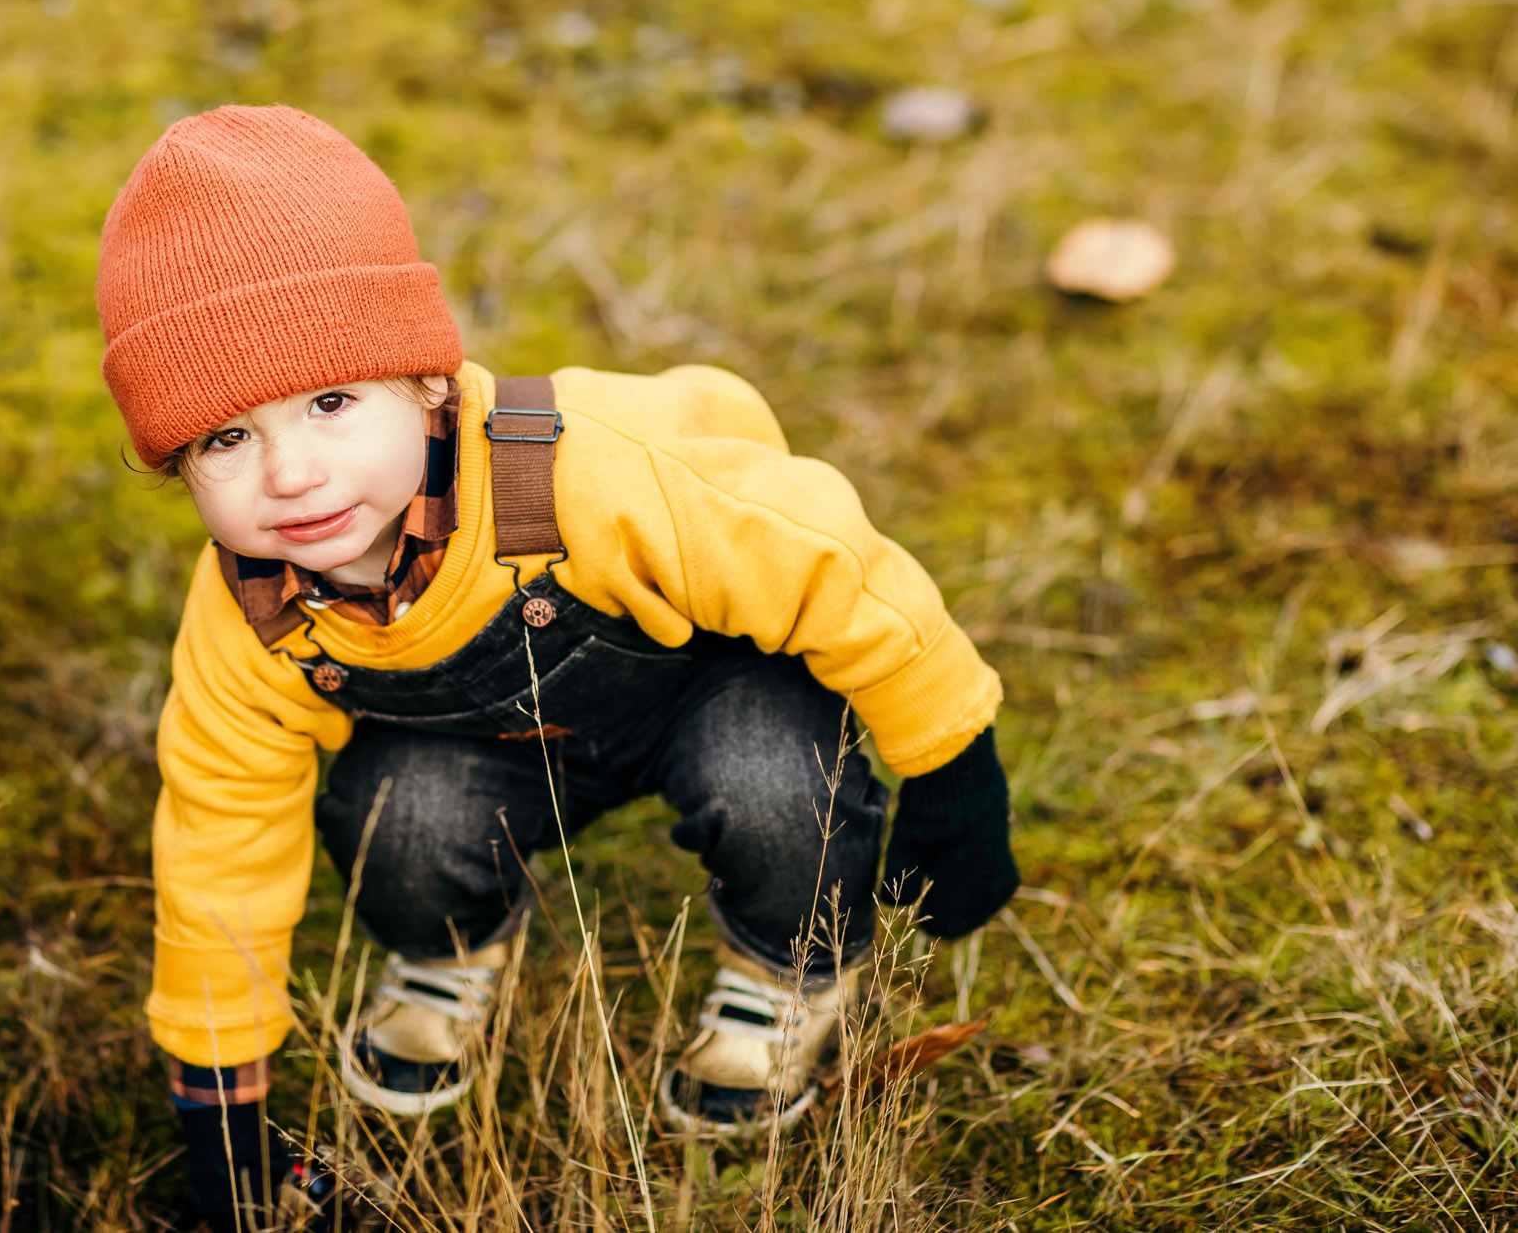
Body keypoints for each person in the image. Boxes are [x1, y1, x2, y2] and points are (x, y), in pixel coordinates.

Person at [96, 104, 1019, 1230]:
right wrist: (222, 1102)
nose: (289, 473)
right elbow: (219, 832)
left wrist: (951, 768)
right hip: (480, 752)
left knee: (773, 778)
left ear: (427, 384)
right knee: (401, 813)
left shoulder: (587, 472)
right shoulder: (255, 615)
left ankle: (786, 970)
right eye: (224, 440)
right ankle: (447, 951)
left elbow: (831, 566)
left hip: (701, 687)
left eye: (331, 404)